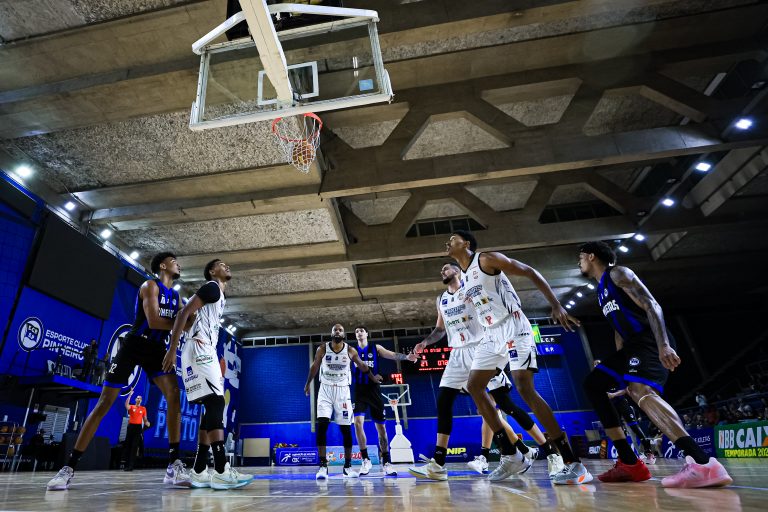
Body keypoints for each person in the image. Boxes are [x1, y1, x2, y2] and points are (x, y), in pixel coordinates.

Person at [578, 241, 732, 487]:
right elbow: (619, 329)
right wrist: (623, 369)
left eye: (581, 257)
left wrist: (663, 345)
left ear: (591, 256)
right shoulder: (601, 290)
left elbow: (651, 304)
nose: (579, 262)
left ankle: (702, 463)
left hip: (649, 341)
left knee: (641, 391)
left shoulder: (618, 273)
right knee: (593, 384)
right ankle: (629, 462)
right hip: (631, 347)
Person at [446, 230, 587, 484]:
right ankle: (511, 455)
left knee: (524, 388)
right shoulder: (464, 277)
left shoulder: (486, 259)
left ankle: (570, 460)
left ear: (466, 244)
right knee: (474, 386)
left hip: (513, 325)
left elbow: (530, 271)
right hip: (491, 334)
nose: (447, 242)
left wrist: (556, 304)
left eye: (453, 239)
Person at [47, 252, 192, 491]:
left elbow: (187, 323)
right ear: (163, 265)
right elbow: (154, 321)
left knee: (174, 395)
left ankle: (173, 465)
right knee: (104, 403)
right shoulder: (150, 286)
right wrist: (181, 322)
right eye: (174, 261)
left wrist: (189, 318)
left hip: (157, 349)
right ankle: (68, 468)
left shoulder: (176, 297)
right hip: (134, 346)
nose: (179, 264)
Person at [409, 263, 531, 481]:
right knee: (444, 401)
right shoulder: (441, 299)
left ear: (457, 271)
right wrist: (424, 343)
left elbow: (490, 311)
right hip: (457, 353)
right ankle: (438, 464)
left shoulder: (471, 288)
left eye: (446, 268)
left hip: (480, 347)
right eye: (441, 269)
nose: (442, 271)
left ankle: (523, 451)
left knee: (500, 404)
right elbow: (440, 329)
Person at [171, 259, 252, 490]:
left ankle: (198, 471)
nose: (227, 266)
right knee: (216, 403)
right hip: (199, 348)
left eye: (227, 264)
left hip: (205, 349)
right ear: (211, 271)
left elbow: (192, 318)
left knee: (211, 408)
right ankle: (221, 469)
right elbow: (183, 313)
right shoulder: (212, 287)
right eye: (221, 264)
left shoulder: (219, 296)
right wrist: (172, 349)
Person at [305, 324, 382, 480]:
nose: (338, 331)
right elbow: (315, 366)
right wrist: (308, 384)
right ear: (331, 333)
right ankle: (323, 467)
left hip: (343, 391)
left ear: (344, 334)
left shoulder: (350, 350)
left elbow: (362, 366)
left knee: (346, 429)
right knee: (322, 426)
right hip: (325, 390)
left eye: (340, 330)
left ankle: (347, 467)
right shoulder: (322, 349)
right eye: (335, 329)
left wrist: (373, 378)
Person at [468, 369, 564, 476]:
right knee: (486, 412)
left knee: (507, 407)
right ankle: (526, 452)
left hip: (491, 369)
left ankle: (551, 453)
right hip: (476, 373)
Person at [351, 325, 417, 477]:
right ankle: (365, 460)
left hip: (374, 390)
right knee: (357, 423)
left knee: (381, 428)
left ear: (367, 333)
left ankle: (386, 462)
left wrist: (407, 357)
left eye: (361, 331)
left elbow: (392, 354)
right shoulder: (352, 351)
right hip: (359, 391)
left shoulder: (376, 348)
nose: (359, 333)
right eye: (356, 332)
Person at [123, 391, 150, 471]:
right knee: (128, 445)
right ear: (135, 399)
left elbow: (145, 419)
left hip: (138, 428)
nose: (139, 399)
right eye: (137, 398)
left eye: (140, 398)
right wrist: (130, 395)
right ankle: (126, 465)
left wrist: (147, 422)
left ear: (141, 400)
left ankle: (131, 466)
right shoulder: (132, 407)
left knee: (134, 447)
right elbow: (126, 405)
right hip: (131, 427)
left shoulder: (143, 409)